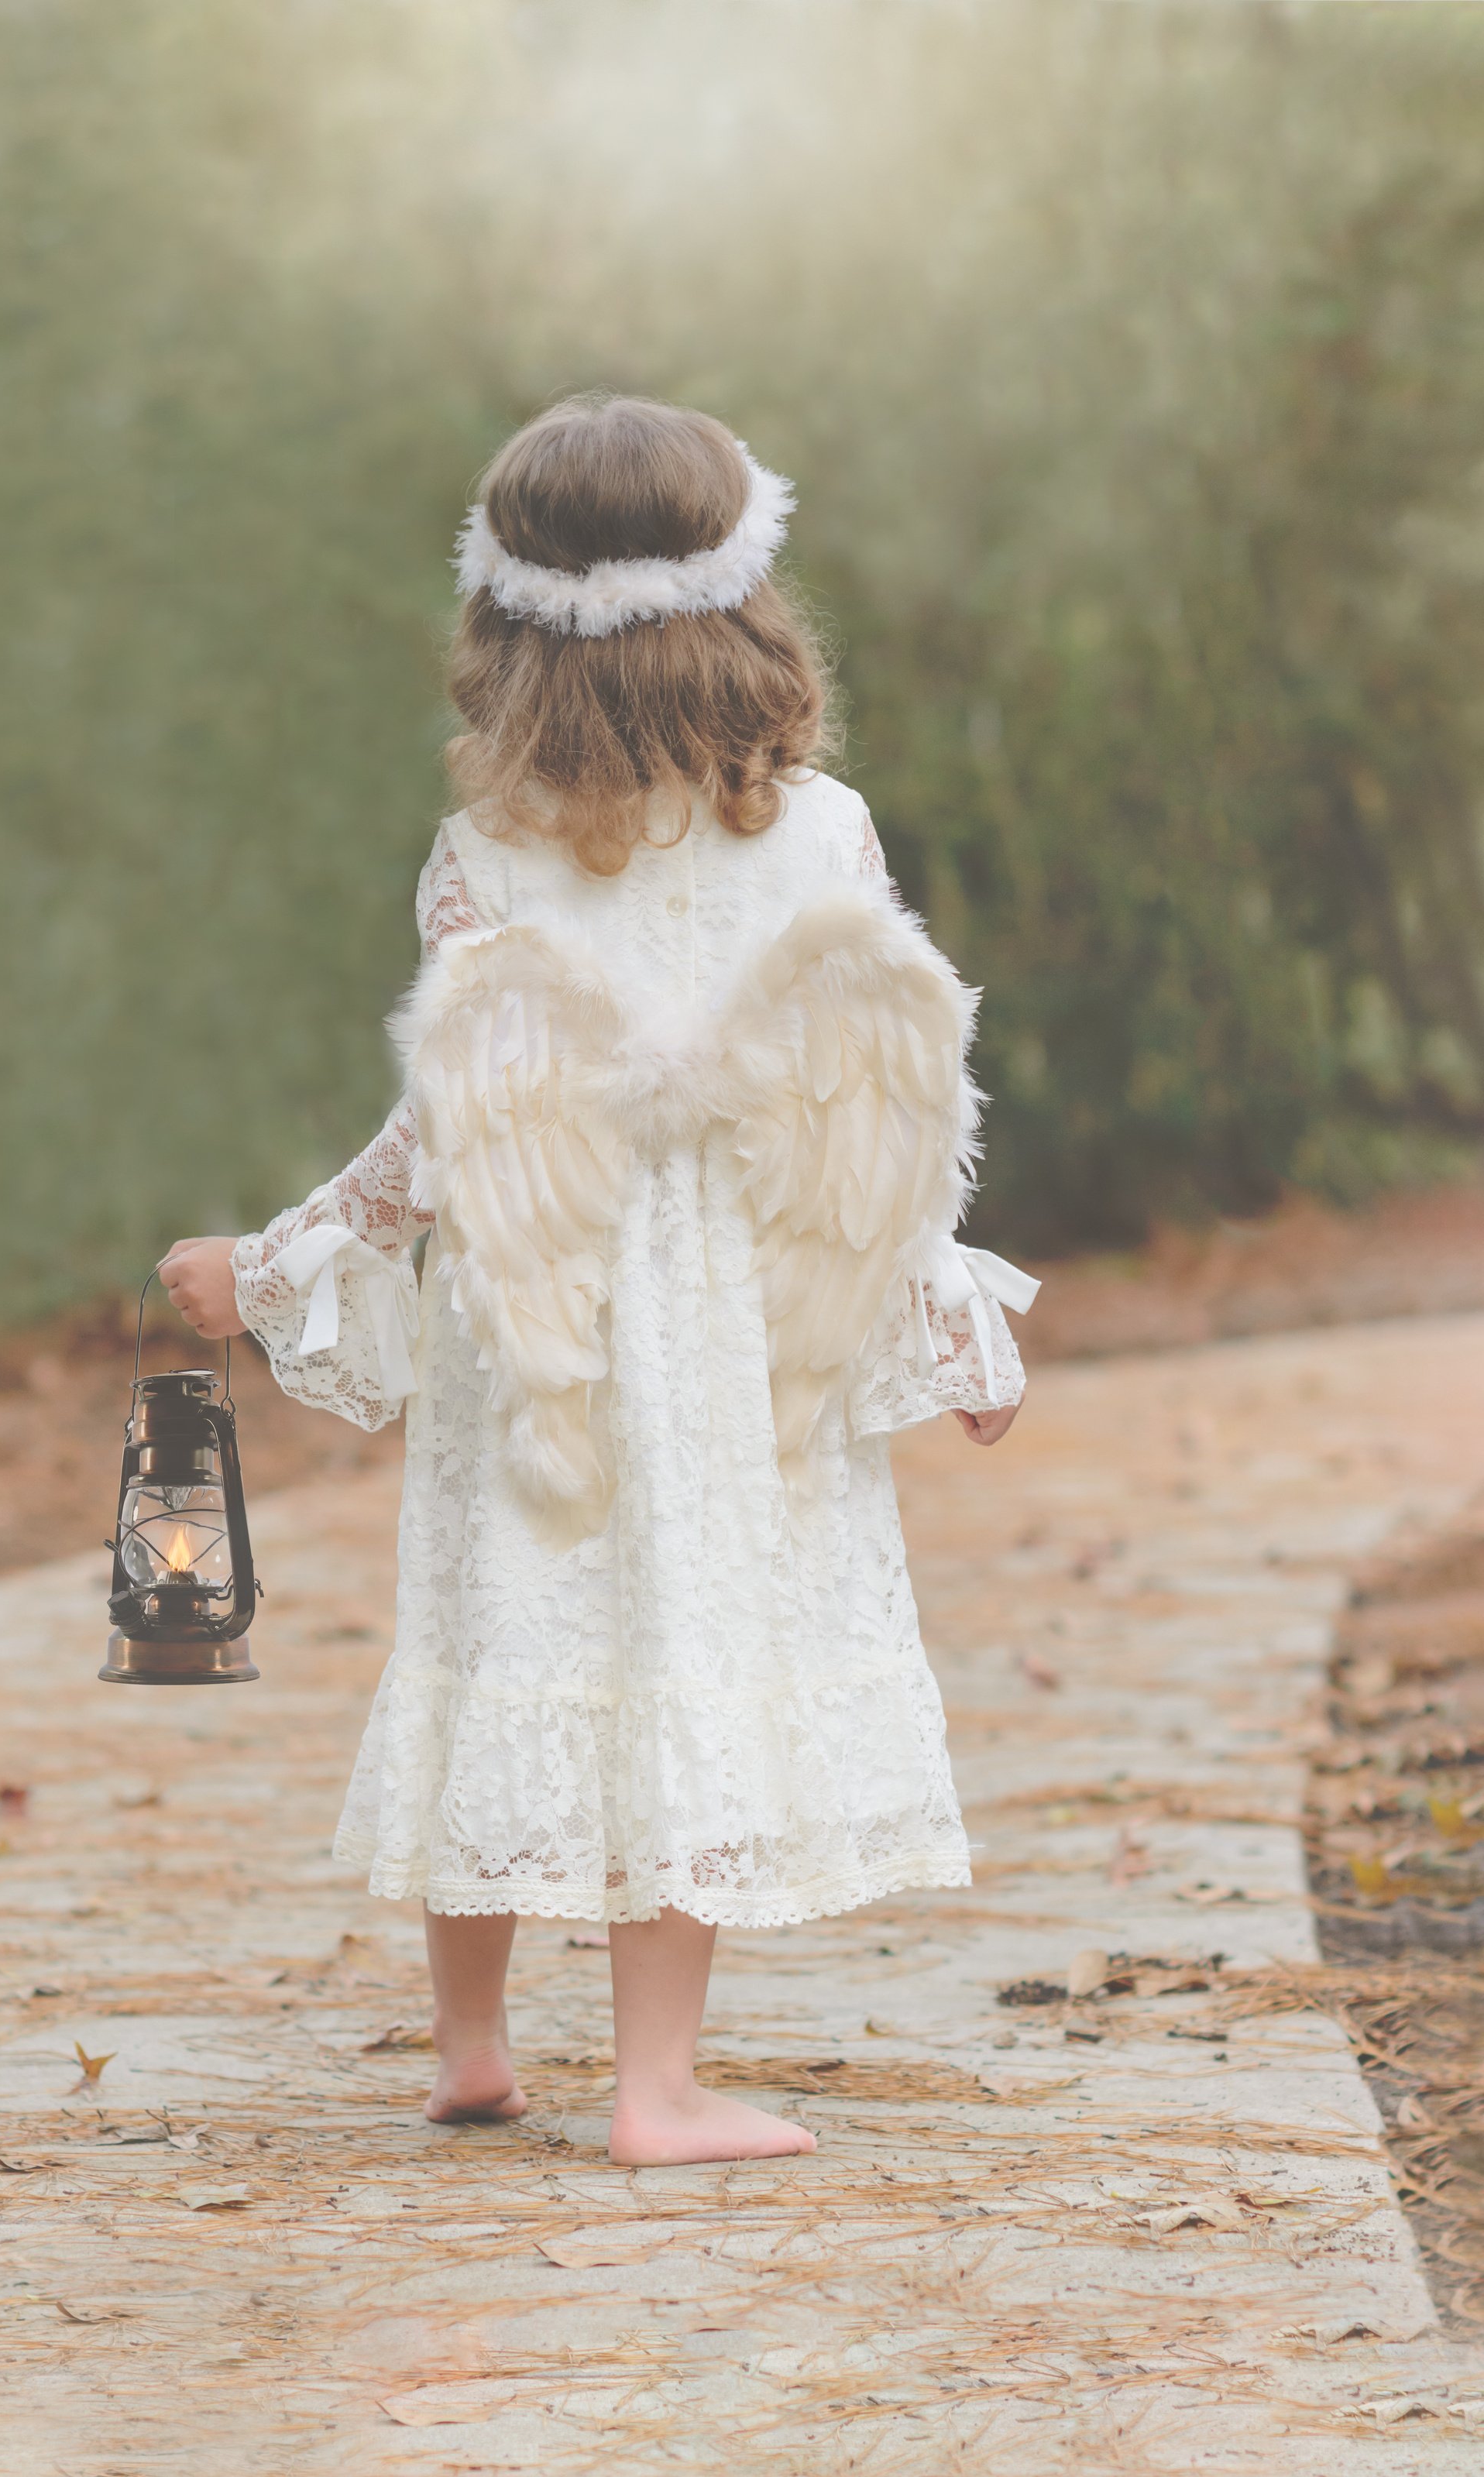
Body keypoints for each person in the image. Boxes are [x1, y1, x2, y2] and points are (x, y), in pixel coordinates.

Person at [159, 394, 1036, 2166]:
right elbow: (871, 1101)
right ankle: (655, 2090)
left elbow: (443, 1135)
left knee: (508, 1626)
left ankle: (471, 2048)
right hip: (735, 1319)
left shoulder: (488, 855)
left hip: (539, 1309)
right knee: (683, 1639)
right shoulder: (822, 834)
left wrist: (267, 1262)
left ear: (507, 628)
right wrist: (939, 1310)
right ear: (747, 605)